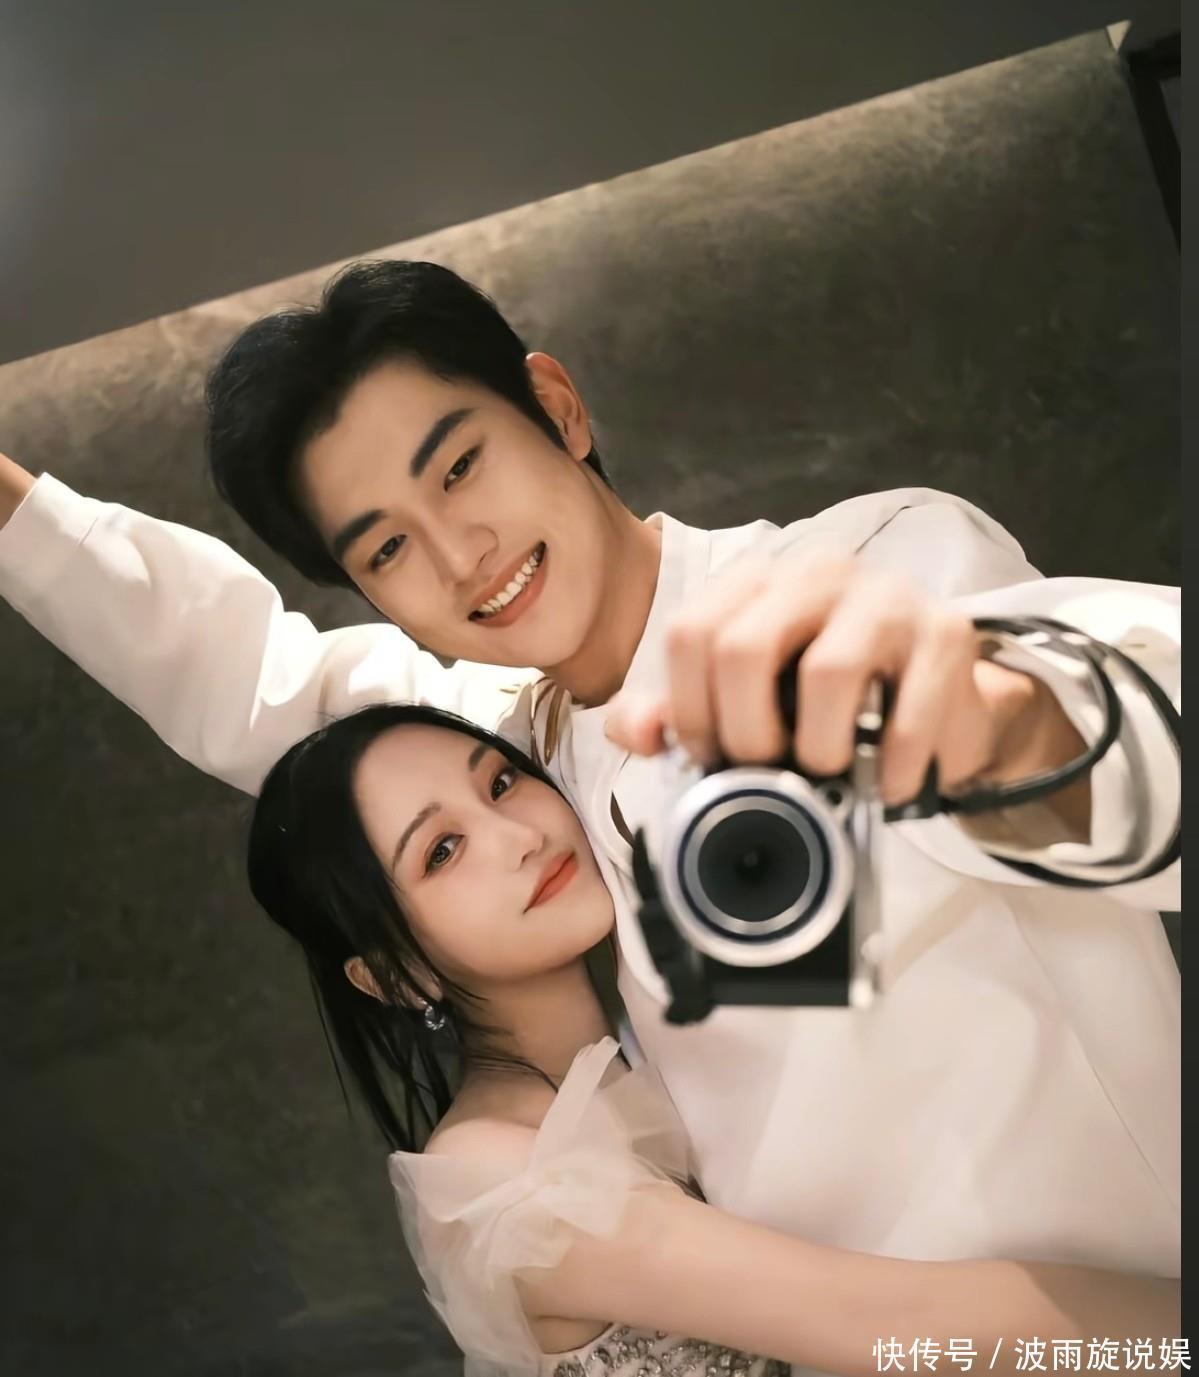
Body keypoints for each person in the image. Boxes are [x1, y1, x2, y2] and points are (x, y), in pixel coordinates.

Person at [0, 260, 1181, 1280]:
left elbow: (1125, 717)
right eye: (389, 546)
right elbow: (241, 672)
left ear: (556, 408)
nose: (461, 554)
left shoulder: (870, 568)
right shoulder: (509, 755)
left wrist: (994, 722)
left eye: (459, 467)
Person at [246, 702, 1177, 1375]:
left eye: (499, 781)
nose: (515, 835)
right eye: (441, 851)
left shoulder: (647, 1046)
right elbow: (883, 1320)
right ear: (395, 974)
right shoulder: (505, 1180)